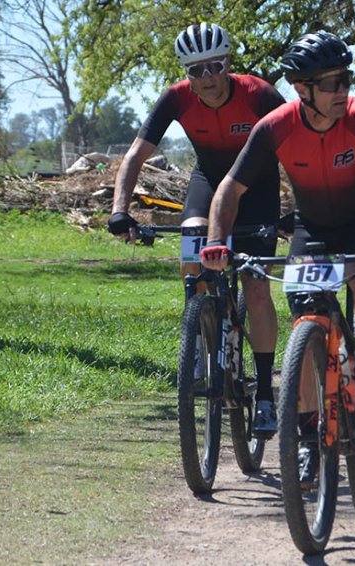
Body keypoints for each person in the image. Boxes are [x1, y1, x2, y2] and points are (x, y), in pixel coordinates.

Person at [199, 30, 355, 485]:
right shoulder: (276, 126)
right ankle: (307, 441)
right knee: (304, 327)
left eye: (345, 79)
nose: (342, 90)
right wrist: (216, 241)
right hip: (313, 230)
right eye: (331, 83)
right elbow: (230, 187)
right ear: (302, 90)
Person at [107, 23, 285, 435]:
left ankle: (264, 395)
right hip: (208, 179)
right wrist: (119, 210)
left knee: (256, 287)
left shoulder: (259, 94)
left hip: (256, 189)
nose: (206, 77)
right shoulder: (176, 97)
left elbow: (296, 147)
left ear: (228, 64)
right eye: (196, 70)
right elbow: (136, 155)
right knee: (192, 241)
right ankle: (202, 325)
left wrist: (303, 208)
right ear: (187, 74)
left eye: (214, 65)